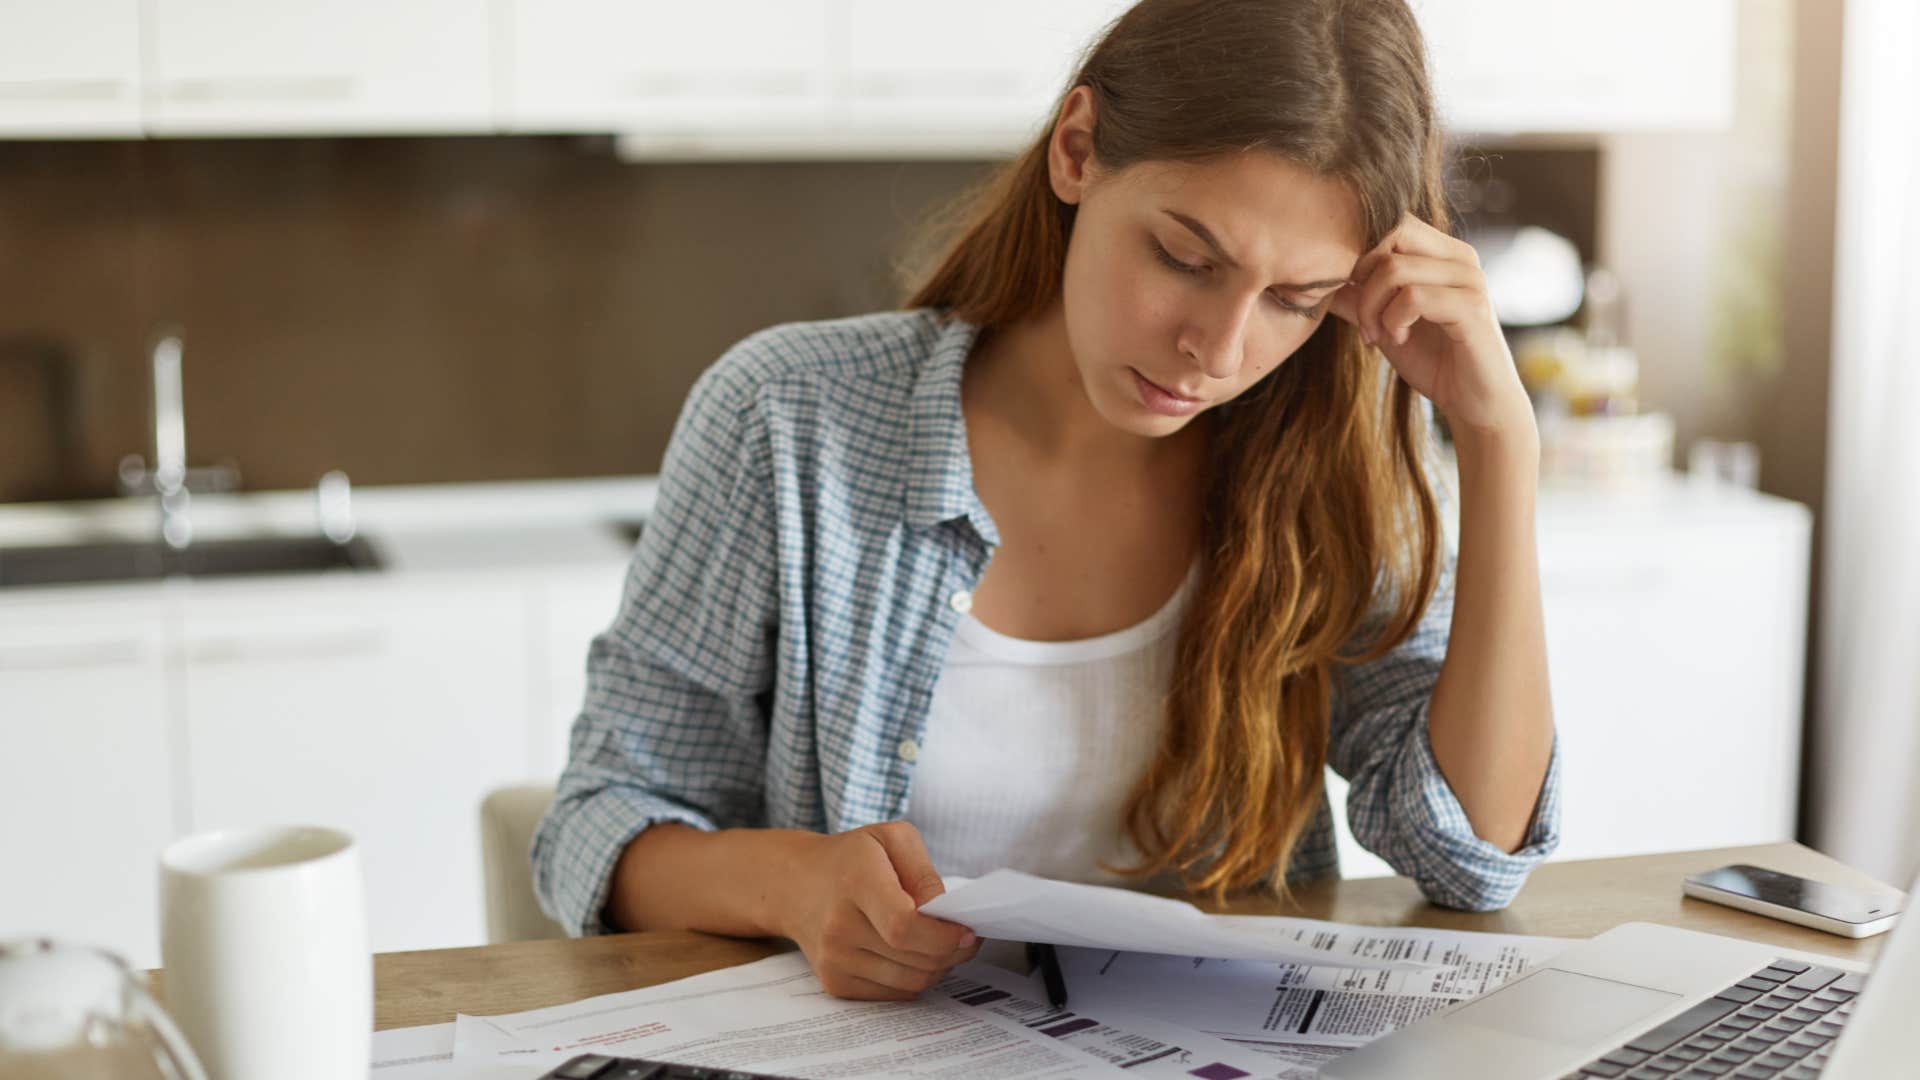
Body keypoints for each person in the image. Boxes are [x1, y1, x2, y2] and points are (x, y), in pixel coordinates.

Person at [532, 0, 1561, 1002]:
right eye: (1185, 258)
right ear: (1077, 149)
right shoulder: (789, 418)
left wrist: (1497, 438)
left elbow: (1470, 857)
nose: (1220, 347)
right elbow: (600, 821)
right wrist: (798, 884)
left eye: (1295, 300)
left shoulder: (1333, 459)